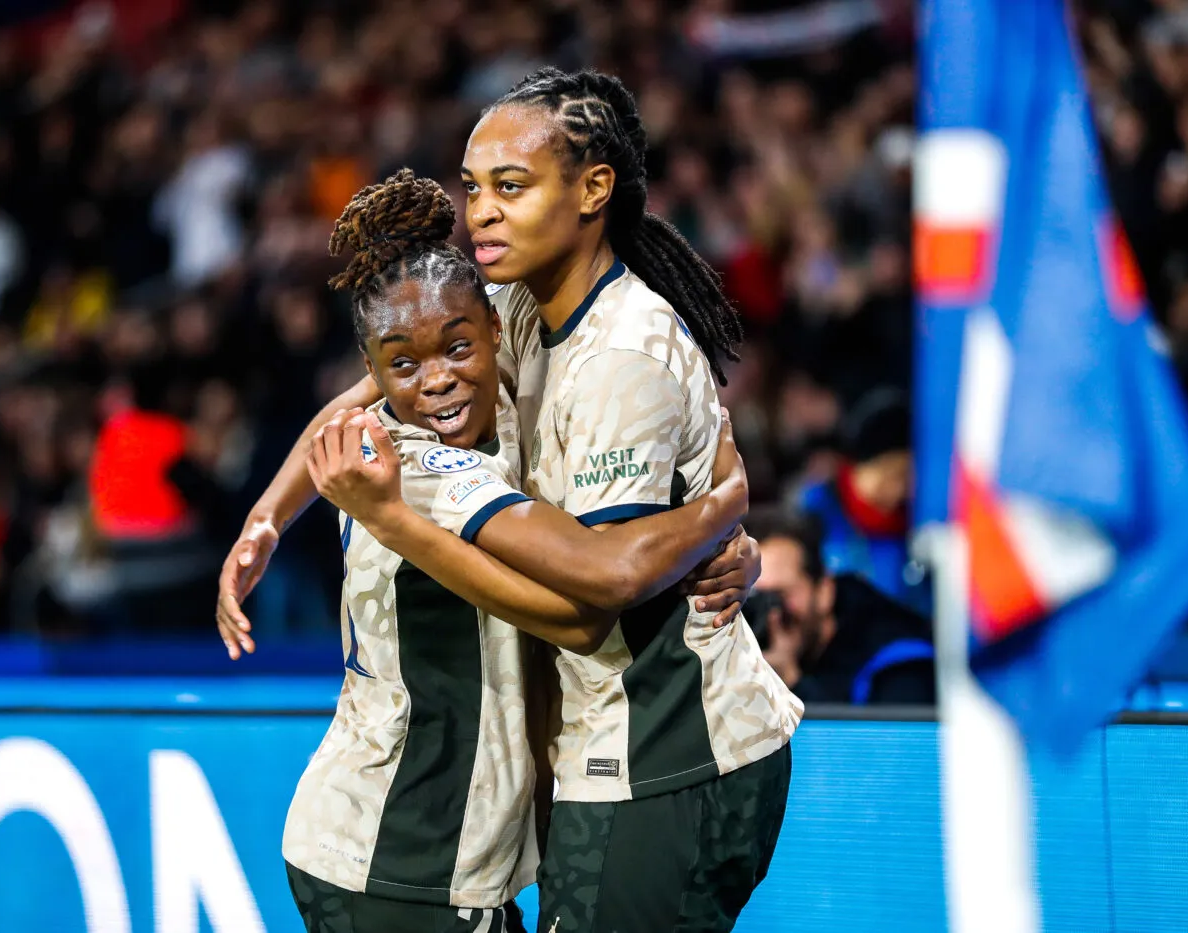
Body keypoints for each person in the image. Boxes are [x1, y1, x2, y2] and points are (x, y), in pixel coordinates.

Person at [306, 68, 802, 933]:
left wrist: (726, 507)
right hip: (598, 746)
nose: (481, 211)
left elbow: (600, 592)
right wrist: (267, 521)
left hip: (664, 750)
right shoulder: (510, 309)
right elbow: (354, 398)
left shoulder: (618, 356)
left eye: (510, 185)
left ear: (594, 188)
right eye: (472, 189)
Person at [746, 508, 935, 705]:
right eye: (750, 598)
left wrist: (790, 681)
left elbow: (881, 736)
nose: (767, 614)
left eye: (777, 595)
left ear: (824, 592)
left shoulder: (899, 663)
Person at [798, 387, 933, 616]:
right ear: (858, 466)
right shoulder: (816, 511)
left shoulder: (917, 525)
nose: (899, 490)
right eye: (889, 474)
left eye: (906, 477)